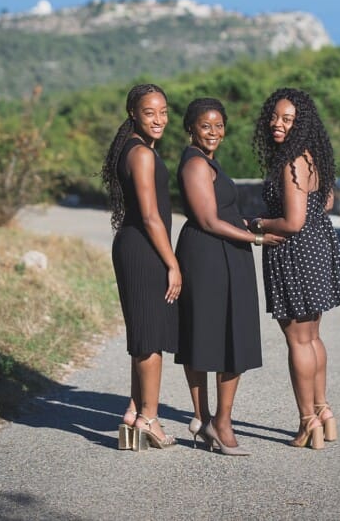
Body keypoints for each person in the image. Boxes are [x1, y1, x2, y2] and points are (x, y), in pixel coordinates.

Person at [173, 98, 281, 455]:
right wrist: (258, 238)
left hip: (227, 253)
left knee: (234, 335)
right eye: (206, 126)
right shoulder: (194, 164)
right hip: (206, 255)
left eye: (219, 126)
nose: (214, 132)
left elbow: (221, 211)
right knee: (207, 336)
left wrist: (247, 224)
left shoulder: (209, 162)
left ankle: (217, 420)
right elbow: (206, 220)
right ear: (191, 128)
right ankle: (210, 419)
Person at [247, 88, 340, 449]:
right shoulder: (313, 157)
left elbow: (291, 221)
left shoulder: (292, 163)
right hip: (317, 247)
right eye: (275, 116)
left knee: (298, 340)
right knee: (313, 337)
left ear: (300, 123)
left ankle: (307, 422)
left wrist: (256, 224)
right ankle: (323, 413)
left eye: (287, 119)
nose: (277, 124)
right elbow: (327, 202)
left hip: (294, 253)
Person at [103, 83, 180, 450]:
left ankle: (134, 411)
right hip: (145, 249)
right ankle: (149, 419)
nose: (159, 119)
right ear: (133, 113)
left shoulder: (132, 149)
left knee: (143, 335)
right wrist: (173, 263)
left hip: (132, 247)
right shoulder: (142, 155)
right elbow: (151, 217)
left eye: (163, 112)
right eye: (150, 112)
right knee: (150, 338)